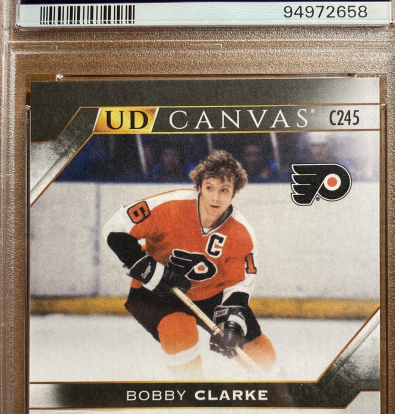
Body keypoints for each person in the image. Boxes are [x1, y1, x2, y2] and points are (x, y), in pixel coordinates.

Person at [104, 150, 277, 376]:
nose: (215, 198)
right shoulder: (170, 206)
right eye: (209, 188)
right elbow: (115, 228)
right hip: (155, 293)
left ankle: (281, 386)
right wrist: (148, 269)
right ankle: (192, 391)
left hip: (211, 294)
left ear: (234, 192)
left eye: (224, 190)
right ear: (199, 186)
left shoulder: (241, 232)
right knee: (180, 333)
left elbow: (239, 284)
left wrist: (232, 322)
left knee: (256, 350)